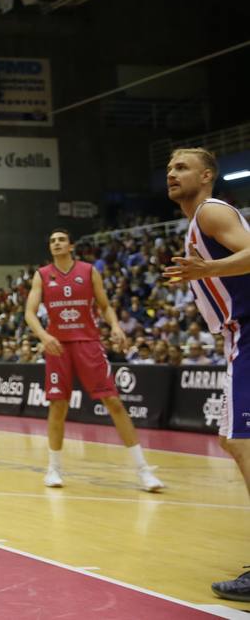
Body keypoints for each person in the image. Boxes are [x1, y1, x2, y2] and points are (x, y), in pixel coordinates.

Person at [160, 147, 250, 603]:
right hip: (241, 333)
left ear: (208, 175)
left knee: (241, 441)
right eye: (170, 168)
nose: (172, 174)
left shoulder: (212, 211)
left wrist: (208, 270)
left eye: (182, 168)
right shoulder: (199, 222)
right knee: (238, 442)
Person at [23, 228, 163, 492]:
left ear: (71, 245)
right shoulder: (42, 275)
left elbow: (105, 305)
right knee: (58, 406)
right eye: (52, 240)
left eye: (61, 239)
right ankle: (53, 468)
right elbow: (29, 313)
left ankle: (144, 471)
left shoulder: (88, 271)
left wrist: (116, 326)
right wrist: (43, 336)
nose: (56, 243)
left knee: (113, 401)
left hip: (88, 342)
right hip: (57, 346)